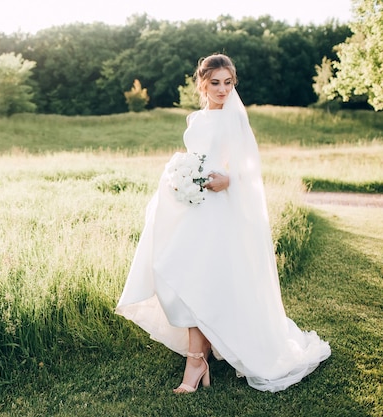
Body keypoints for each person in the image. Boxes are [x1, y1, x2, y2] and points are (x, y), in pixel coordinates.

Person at [115, 53, 331, 393]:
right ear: (202, 83)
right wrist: (178, 176)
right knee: (177, 272)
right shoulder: (195, 119)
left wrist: (229, 179)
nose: (223, 89)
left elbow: (249, 166)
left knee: (202, 279)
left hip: (220, 208)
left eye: (228, 83)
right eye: (215, 82)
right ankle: (198, 357)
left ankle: (195, 363)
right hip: (193, 206)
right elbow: (193, 159)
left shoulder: (235, 120)